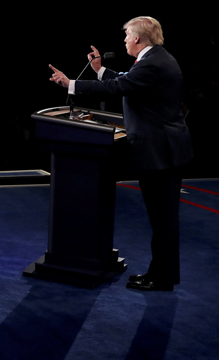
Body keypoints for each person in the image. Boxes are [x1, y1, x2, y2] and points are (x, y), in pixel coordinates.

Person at [48, 16, 193, 292]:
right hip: (163, 151)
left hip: (161, 154)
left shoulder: (153, 63)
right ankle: (160, 274)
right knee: (162, 220)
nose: (125, 40)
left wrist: (71, 84)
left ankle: (161, 278)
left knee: (163, 221)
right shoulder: (156, 59)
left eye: (127, 35)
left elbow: (120, 87)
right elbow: (127, 81)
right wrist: (100, 70)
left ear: (138, 38)